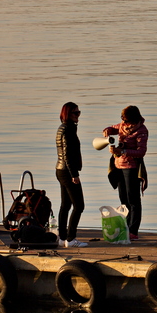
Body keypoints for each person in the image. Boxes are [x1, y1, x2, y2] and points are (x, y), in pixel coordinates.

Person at [103, 105, 148, 240]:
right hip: (119, 166)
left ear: (133, 119)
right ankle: (126, 226)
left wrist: (122, 151)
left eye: (126, 120)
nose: (124, 122)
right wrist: (107, 130)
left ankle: (133, 230)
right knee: (123, 199)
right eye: (123, 119)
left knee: (133, 200)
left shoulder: (141, 131)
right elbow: (113, 127)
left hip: (132, 168)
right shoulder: (122, 125)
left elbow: (141, 152)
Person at [56, 102, 87, 248]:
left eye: (79, 112)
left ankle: (62, 237)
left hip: (60, 170)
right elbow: (67, 154)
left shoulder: (63, 128)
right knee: (79, 205)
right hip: (68, 172)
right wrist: (74, 174)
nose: (78, 115)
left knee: (66, 205)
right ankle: (71, 238)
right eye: (75, 113)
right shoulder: (68, 129)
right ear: (68, 114)